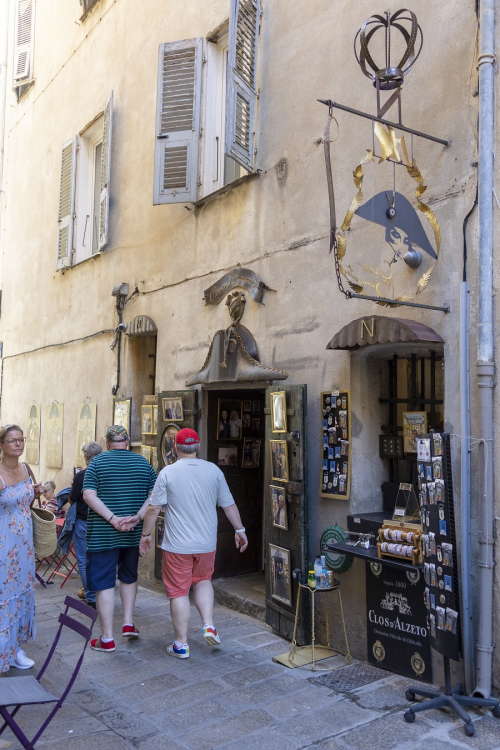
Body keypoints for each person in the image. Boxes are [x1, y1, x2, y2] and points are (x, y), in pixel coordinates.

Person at [137, 428, 248, 659]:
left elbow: (154, 508)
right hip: (206, 543)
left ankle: (181, 644)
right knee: (203, 580)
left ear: (175, 448)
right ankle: (208, 624)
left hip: (177, 545)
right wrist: (240, 530)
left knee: (178, 591)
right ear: (198, 447)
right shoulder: (214, 470)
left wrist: (146, 534)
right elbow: (228, 505)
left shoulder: (168, 472)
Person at [82, 425, 157, 653]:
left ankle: (107, 638)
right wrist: (137, 517)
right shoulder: (143, 463)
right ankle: (127, 623)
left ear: (107, 443)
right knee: (129, 576)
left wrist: (113, 519)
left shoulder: (96, 463)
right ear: (127, 442)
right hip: (132, 534)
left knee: (104, 583)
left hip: (104, 535)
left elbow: (88, 495)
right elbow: (154, 497)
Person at [0, 424, 42, 672]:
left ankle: (14, 648)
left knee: (23, 590)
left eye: (21, 440)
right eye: (12, 440)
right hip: (5, 543)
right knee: (5, 594)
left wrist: (36, 492)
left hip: (25, 543)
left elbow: (28, 500)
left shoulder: (26, 468)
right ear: (2, 445)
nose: (18, 444)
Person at [69, 442, 103, 608]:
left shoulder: (82, 476)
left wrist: (73, 483)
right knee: (100, 559)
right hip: (103, 522)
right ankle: (101, 593)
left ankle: (90, 596)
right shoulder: (105, 473)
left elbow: (72, 498)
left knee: (83, 560)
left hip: (83, 521)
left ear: (86, 456)